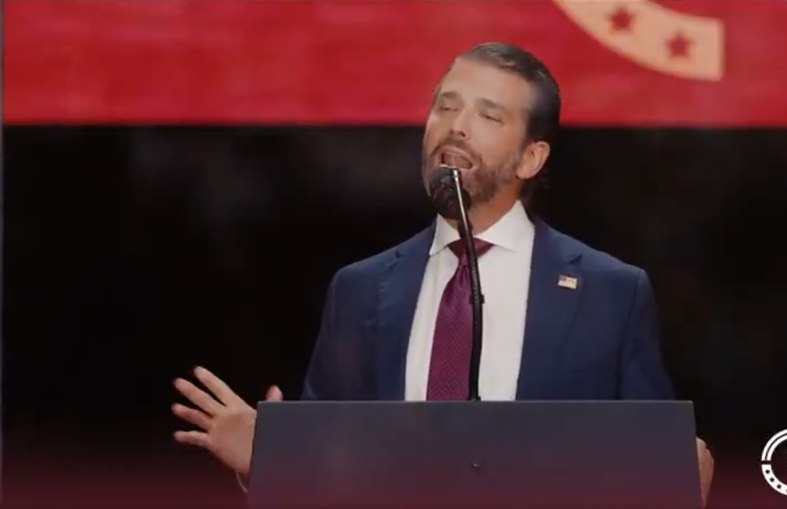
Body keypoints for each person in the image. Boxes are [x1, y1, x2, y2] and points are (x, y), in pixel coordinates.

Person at [172, 42, 714, 504]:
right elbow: (329, 475)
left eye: (488, 116)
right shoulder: (360, 289)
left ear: (531, 158)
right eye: (445, 107)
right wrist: (270, 462)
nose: (456, 126)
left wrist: (678, 481)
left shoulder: (610, 292)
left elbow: (650, 473)